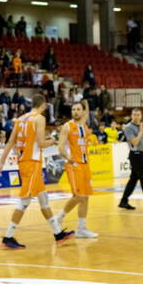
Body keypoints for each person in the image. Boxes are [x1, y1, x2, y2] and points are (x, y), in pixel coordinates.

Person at [0, 94, 74, 249]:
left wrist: (1, 161)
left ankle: (58, 234)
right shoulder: (39, 119)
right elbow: (42, 143)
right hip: (33, 163)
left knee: (43, 198)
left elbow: (11, 142)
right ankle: (8, 237)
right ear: (43, 105)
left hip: (24, 162)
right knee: (24, 201)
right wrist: (53, 140)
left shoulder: (20, 119)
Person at [55, 100, 98, 238]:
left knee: (85, 198)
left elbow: (86, 113)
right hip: (74, 165)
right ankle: (59, 217)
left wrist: (86, 103)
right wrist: (68, 158)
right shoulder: (67, 127)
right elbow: (60, 147)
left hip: (85, 164)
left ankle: (81, 228)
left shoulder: (83, 124)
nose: (76, 112)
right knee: (78, 196)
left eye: (78, 109)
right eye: (73, 110)